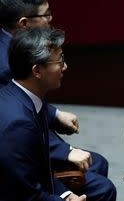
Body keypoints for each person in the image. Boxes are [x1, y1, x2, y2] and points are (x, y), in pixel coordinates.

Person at [0, 0, 116, 200]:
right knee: (102, 188)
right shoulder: (16, 120)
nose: (50, 19)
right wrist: (64, 196)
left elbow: (28, 103)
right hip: (19, 166)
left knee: (96, 166)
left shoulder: (22, 90)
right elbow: (24, 192)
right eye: (45, 14)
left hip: (25, 151)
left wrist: (54, 113)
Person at [0, 27, 86, 200]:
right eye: (60, 61)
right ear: (37, 71)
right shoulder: (18, 125)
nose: (65, 66)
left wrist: (65, 194)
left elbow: (38, 173)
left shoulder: (23, 97)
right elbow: (25, 196)